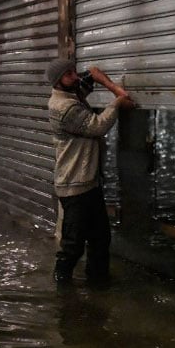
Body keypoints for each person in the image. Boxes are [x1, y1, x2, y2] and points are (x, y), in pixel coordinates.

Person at [45, 57, 134, 284]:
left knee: (100, 238)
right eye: (68, 75)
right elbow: (97, 126)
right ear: (58, 81)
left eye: (74, 72)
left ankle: (98, 282)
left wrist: (114, 88)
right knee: (73, 245)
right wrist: (116, 103)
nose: (75, 77)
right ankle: (63, 290)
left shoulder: (72, 93)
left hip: (88, 183)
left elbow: (93, 73)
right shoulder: (64, 107)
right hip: (75, 186)